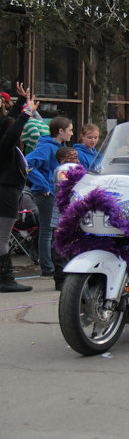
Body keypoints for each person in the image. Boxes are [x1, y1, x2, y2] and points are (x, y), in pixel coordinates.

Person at [26, 116, 73, 277]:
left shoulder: (58, 147)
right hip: (46, 194)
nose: (72, 133)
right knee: (46, 231)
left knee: (53, 231)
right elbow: (28, 163)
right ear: (61, 131)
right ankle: (47, 267)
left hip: (54, 193)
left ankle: (53, 264)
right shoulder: (46, 147)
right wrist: (43, 185)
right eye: (70, 130)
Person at [0, 92, 37, 293]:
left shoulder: (6, 144)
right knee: (3, 238)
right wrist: (27, 113)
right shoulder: (6, 146)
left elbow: (8, 125)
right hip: (6, 193)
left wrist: (20, 102)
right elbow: (11, 132)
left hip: (7, 191)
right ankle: (6, 279)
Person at [51, 146, 80, 291]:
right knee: (59, 250)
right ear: (63, 160)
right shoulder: (61, 171)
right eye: (71, 158)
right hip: (60, 217)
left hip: (74, 216)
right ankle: (61, 279)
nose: (75, 161)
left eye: (76, 157)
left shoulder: (78, 169)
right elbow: (62, 187)